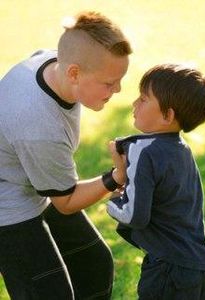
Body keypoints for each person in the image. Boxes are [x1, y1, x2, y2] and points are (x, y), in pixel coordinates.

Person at [0, 11, 131, 300]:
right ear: (74, 72)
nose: (118, 90)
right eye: (109, 83)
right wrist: (115, 178)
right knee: (51, 294)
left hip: (31, 182)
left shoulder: (52, 62)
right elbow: (66, 202)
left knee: (93, 265)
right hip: (6, 205)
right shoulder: (38, 126)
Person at [107, 63, 205, 300]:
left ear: (167, 115)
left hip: (167, 269)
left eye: (144, 99)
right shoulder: (183, 150)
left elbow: (135, 216)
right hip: (198, 266)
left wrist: (113, 200)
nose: (134, 104)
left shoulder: (143, 150)